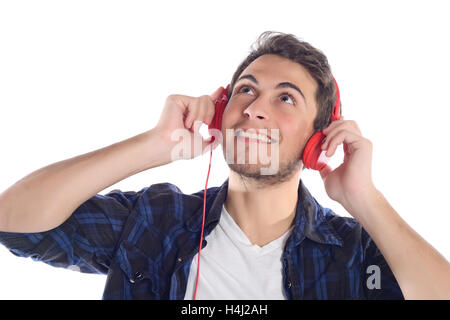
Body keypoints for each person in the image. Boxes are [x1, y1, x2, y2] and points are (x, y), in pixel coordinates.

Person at [0, 31, 449, 300]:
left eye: (285, 98)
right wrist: (155, 145)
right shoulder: (155, 220)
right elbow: (14, 222)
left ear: (319, 138)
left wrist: (365, 200)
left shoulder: (353, 252)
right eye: (246, 90)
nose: (255, 108)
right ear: (220, 115)